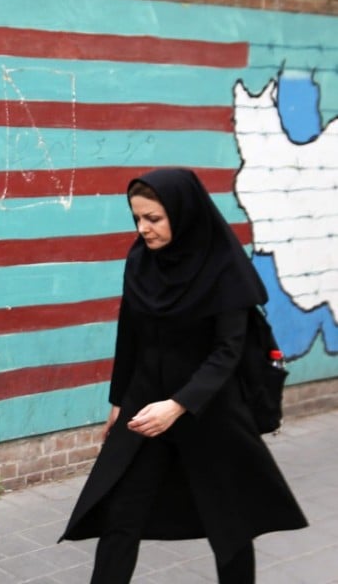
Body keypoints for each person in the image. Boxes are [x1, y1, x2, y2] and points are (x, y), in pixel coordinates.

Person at [61, 167, 307, 583]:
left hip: (208, 409)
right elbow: (130, 334)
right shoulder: (140, 259)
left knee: (228, 524)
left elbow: (227, 352)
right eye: (137, 218)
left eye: (153, 219)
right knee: (121, 515)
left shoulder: (223, 266)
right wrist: (118, 401)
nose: (143, 229)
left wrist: (177, 406)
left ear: (183, 211)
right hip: (144, 403)